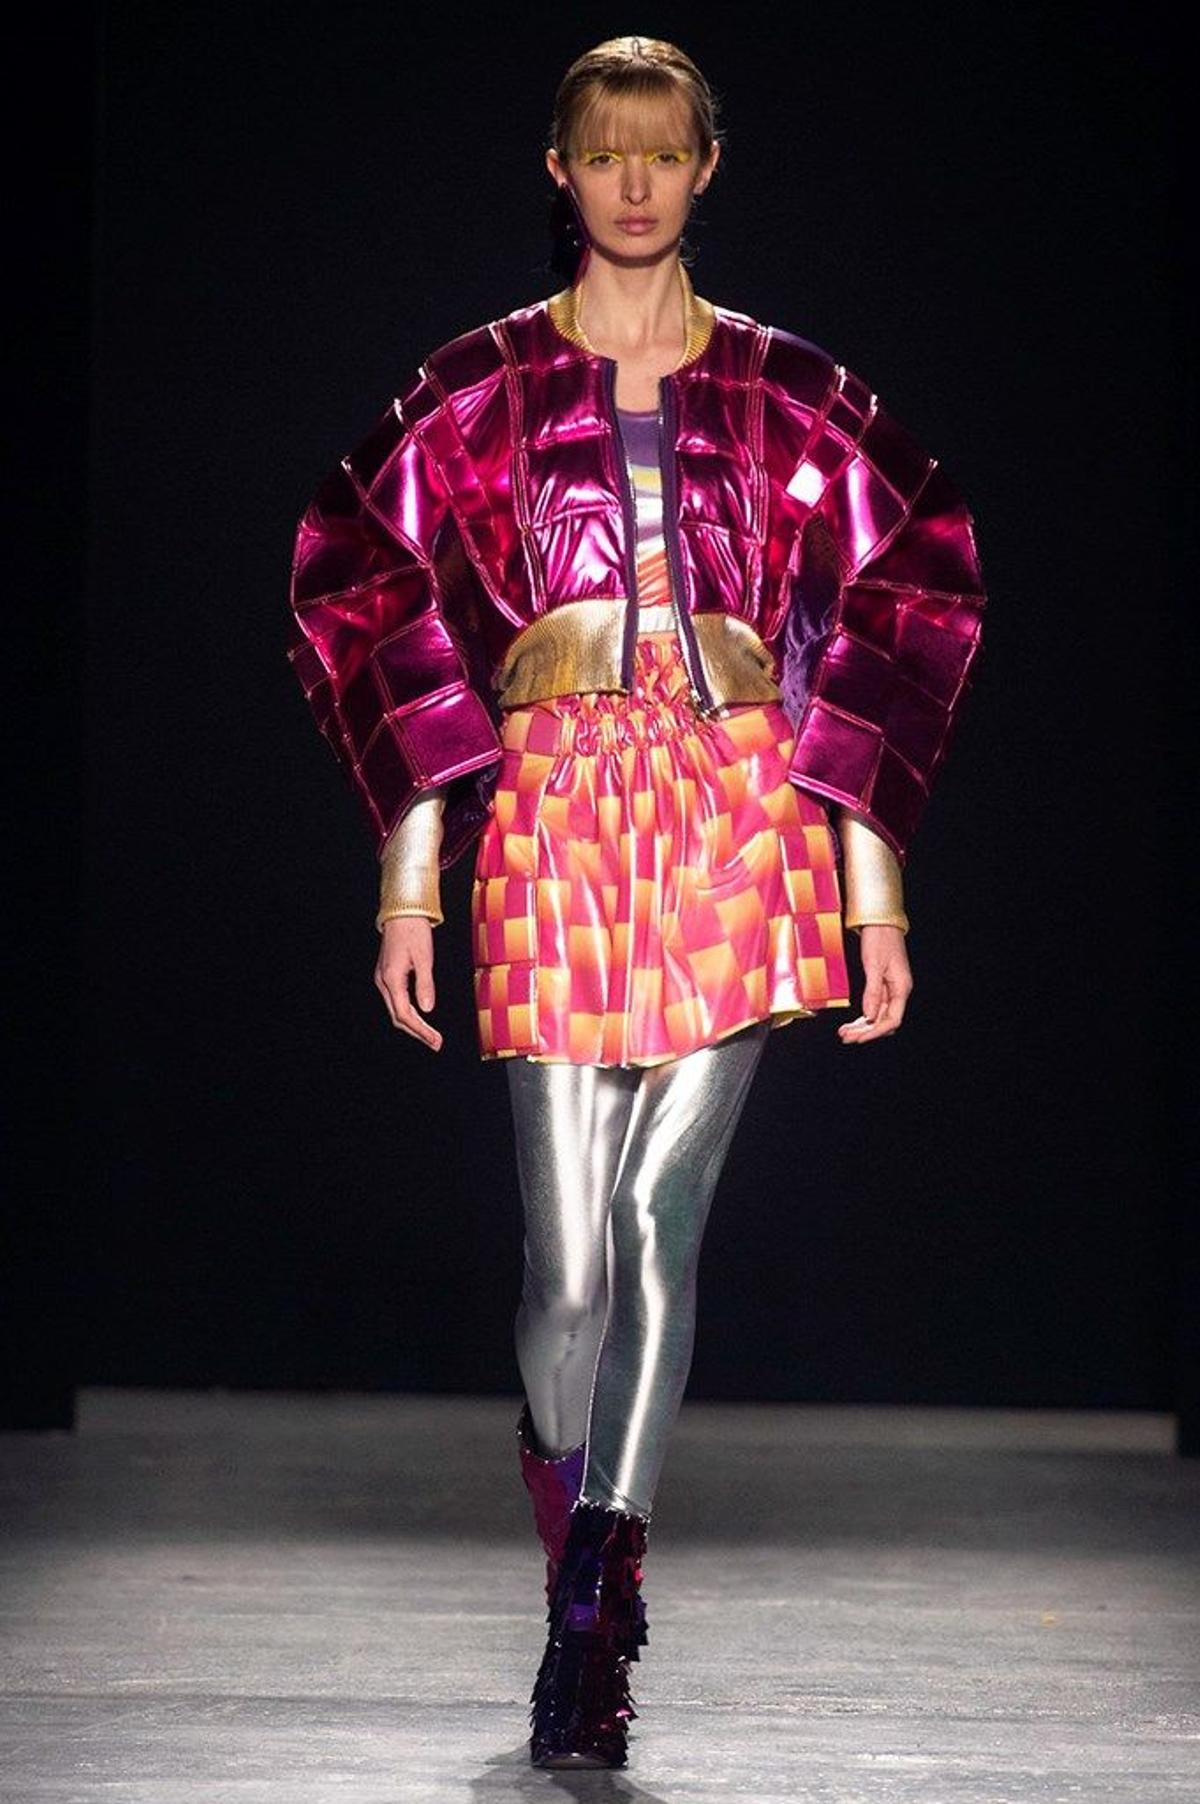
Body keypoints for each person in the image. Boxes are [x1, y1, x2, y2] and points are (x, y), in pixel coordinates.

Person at [287, 35, 985, 1770]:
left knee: (663, 1222)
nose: (635, 183)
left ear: (706, 167)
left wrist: (874, 893)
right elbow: (363, 586)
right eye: (605, 152)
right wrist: (409, 880)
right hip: (554, 816)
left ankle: (599, 1603)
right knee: (568, 1269)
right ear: (561, 171)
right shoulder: (479, 390)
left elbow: (902, 595)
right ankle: (564, 1492)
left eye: (664, 152)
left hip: (738, 809)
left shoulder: (793, 391)